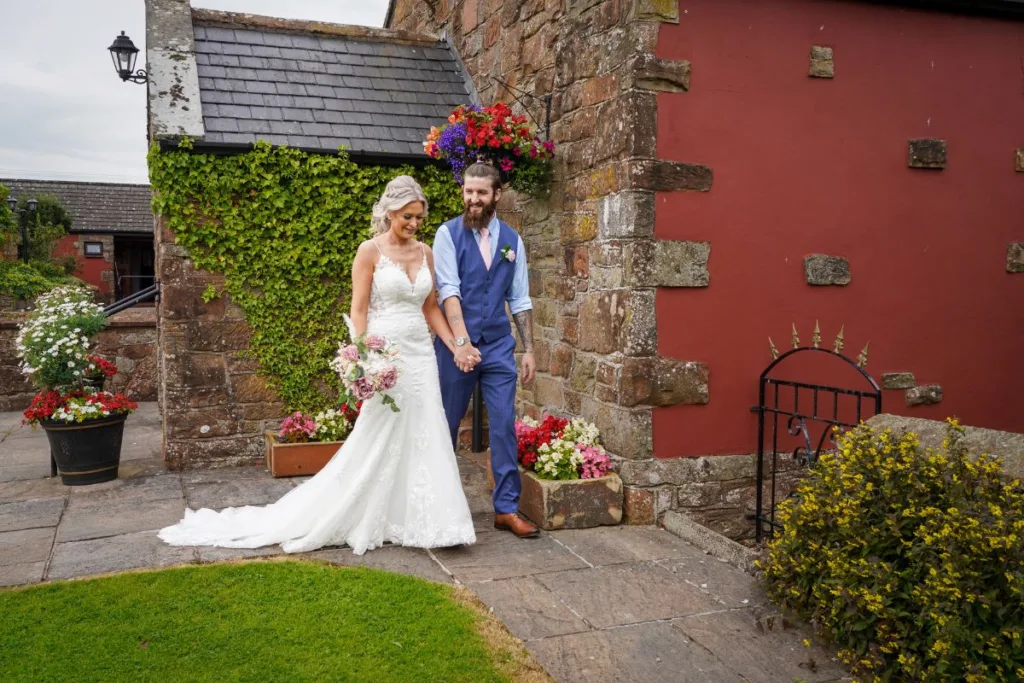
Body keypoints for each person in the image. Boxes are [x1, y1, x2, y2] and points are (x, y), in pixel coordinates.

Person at [158, 176, 476, 555]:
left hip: (421, 354)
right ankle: (355, 510)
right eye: (407, 216)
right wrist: (364, 359)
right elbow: (359, 310)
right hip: (386, 353)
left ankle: (431, 521)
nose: (414, 224)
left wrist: (456, 345)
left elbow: (430, 307)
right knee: (377, 433)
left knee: (427, 428)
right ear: (390, 212)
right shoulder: (369, 251)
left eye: (419, 218)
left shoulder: (426, 253)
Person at [432, 162, 539, 539]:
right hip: (455, 349)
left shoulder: (512, 240)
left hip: (498, 347)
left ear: (497, 194)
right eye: (468, 191)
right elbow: (448, 290)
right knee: (445, 423)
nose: (473, 199)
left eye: (481, 192)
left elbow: (520, 298)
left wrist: (529, 350)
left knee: (505, 425)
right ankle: (437, 506)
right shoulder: (447, 234)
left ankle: (506, 509)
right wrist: (462, 344)